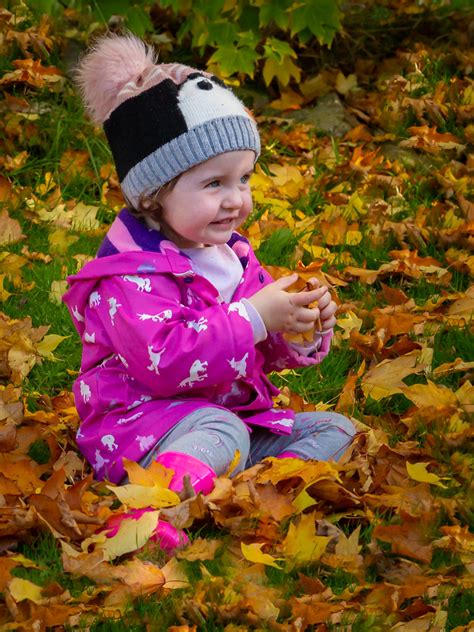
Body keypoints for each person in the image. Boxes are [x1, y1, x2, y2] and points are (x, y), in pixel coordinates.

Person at [63, 33, 356, 550]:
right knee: (223, 432)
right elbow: (165, 363)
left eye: (243, 179)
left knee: (335, 430)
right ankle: (149, 514)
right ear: (155, 195)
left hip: (232, 418)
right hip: (142, 427)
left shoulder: (234, 256)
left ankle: (248, 496)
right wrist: (253, 317)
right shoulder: (127, 277)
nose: (236, 200)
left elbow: (261, 346)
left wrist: (298, 330)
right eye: (214, 184)